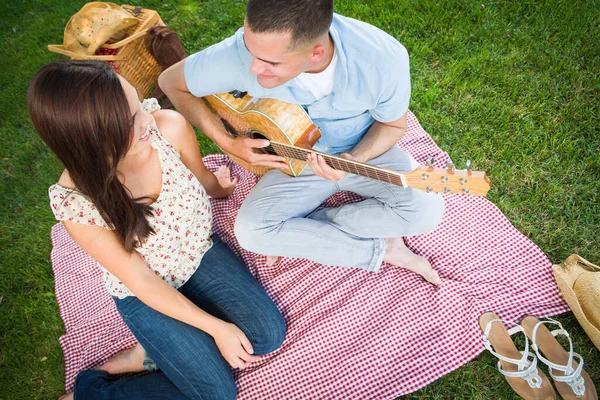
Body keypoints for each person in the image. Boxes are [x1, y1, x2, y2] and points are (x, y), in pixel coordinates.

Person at [28, 60, 285, 400]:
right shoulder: (76, 202)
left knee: (268, 335)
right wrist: (216, 327)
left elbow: (202, 179)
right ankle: (91, 391)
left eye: (138, 105)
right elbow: (142, 281)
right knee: (215, 393)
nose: (148, 118)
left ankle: (152, 352)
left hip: (199, 253)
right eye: (131, 121)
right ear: (91, 141)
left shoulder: (168, 127)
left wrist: (219, 188)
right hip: (145, 293)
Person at [159, 0, 445, 284]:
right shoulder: (240, 55)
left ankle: (315, 224)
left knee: (428, 209)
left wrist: (355, 159)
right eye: (250, 50)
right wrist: (227, 142)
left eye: (271, 62)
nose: (254, 68)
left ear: (315, 53)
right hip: (293, 164)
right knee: (251, 232)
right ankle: (381, 249)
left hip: (364, 154)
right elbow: (171, 82)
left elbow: (393, 125)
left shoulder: (383, 59)